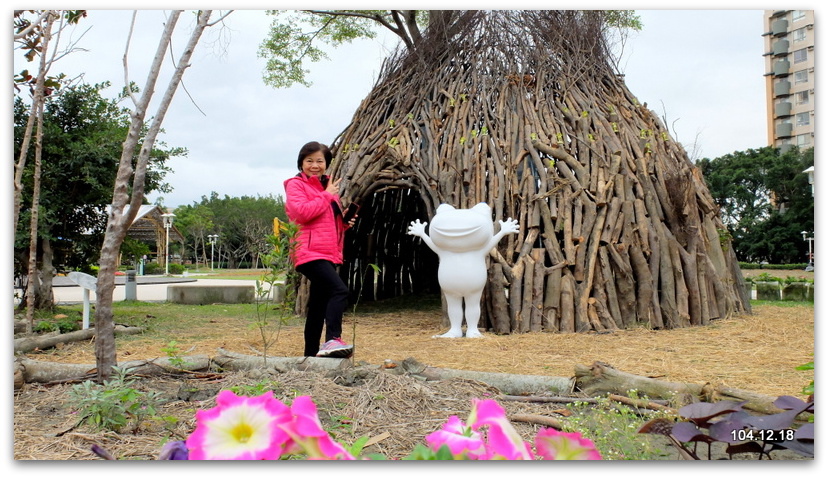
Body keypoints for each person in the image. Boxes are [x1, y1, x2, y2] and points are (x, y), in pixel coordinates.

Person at [284, 141, 356, 358]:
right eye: (309, 161)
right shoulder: (296, 185)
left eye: (319, 161)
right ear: (301, 163)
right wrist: (326, 195)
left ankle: (310, 356)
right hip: (309, 251)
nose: (314, 165)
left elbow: (324, 220)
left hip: (327, 252)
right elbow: (300, 214)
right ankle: (333, 340)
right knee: (339, 290)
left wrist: (344, 223)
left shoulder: (328, 187)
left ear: (326, 163)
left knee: (317, 307)